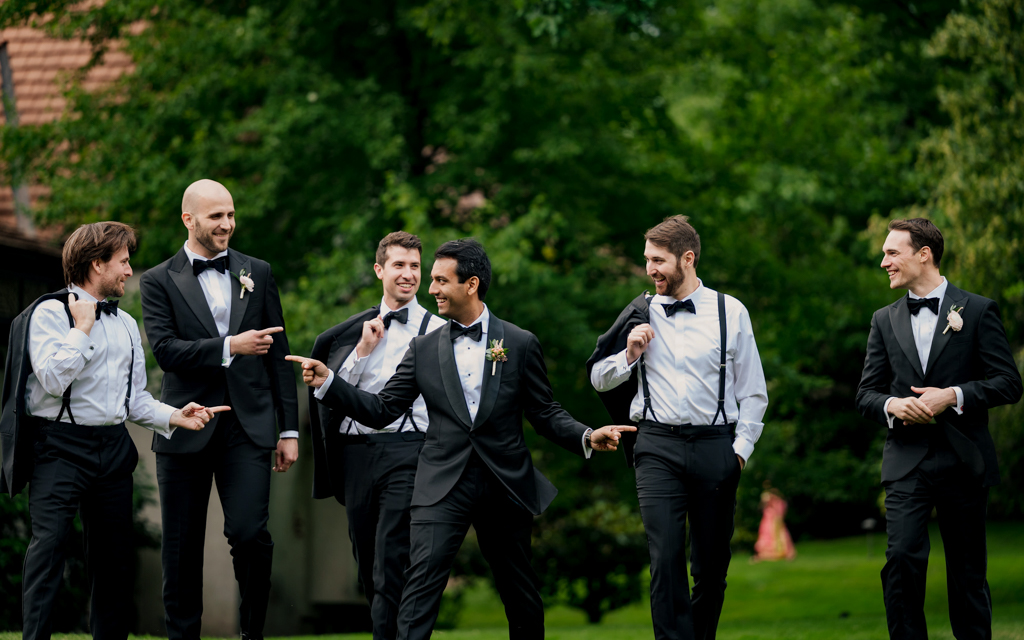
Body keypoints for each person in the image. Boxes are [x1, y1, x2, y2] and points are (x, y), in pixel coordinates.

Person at [287, 238, 634, 640]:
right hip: (441, 485)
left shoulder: (520, 343)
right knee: (417, 593)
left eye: (439, 280)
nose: (429, 288)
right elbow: (382, 409)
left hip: (504, 483)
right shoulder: (423, 348)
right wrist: (330, 382)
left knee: (520, 593)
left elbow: (544, 413)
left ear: (471, 284)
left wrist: (588, 435)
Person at [0, 221, 223, 640]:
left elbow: (133, 399)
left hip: (112, 448)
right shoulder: (49, 313)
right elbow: (52, 380)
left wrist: (177, 415)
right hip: (59, 446)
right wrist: (81, 327)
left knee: (114, 561)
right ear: (96, 263)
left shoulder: (125, 325)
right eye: (122, 262)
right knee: (49, 550)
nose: (127, 271)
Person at [587, 215, 768, 640]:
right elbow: (597, 377)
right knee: (665, 558)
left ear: (687, 258)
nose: (650, 269)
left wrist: (740, 450)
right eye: (647, 260)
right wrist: (628, 355)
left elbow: (754, 391)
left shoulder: (731, 311)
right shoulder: (638, 310)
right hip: (656, 447)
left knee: (710, 568)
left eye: (658, 260)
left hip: (716, 447)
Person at [139, 179, 300, 640]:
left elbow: (278, 356)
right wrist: (230, 345)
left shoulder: (258, 271)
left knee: (251, 533)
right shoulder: (156, 280)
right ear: (188, 220)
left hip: (247, 428)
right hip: (185, 423)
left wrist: (288, 430)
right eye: (216, 217)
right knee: (181, 550)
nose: (227, 224)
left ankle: (253, 633)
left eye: (230, 214)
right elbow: (167, 351)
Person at [856, 218, 1022, 640]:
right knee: (901, 563)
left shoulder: (978, 310)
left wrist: (953, 395)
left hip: (964, 459)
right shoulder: (883, 319)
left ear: (923, 254)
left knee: (967, 575)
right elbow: (866, 394)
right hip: (906, 463)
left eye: (892, 253)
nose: (884, 262)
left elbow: (1009, 383)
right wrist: (894, 404)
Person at [305, 231, 445, 639]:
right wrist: (362, 352)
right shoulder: (346, 333)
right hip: (354, 457)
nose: (408, 274)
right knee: (367, 563)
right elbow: (328, 396)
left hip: (409, 452)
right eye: (399, 265)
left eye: (415, 266)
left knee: (391, 560)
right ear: (379, 269)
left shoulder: (439, 332)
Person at [751, 484, 796, 563]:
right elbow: (761, 507)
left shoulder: (779, 502)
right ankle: (767, 553)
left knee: (777, 537)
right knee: (767, 536)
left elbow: (780, 513)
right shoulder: (768, 501)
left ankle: (778, 553)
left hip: (775, 522)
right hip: (767, 522)